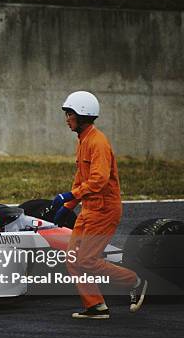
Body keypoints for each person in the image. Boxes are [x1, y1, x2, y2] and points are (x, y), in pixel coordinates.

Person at [52, 91, 147, 319]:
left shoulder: (98, 142)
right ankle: (95, 306)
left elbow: (98, 180)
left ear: (82, 116)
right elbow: (81, 177)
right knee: (73, 260)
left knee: (87, 260)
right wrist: (69, 205)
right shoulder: (83, 141)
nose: (67, 119)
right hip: (89, 208)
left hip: (104, 210)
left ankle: (134, 281)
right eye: (66, 114)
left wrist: (69, 195)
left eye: (70, 114)